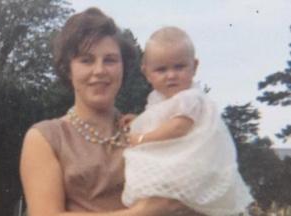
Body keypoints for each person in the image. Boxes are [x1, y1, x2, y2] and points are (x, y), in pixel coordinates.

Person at [20, 8, 198, 216]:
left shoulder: (149, 129)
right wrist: (142, 212)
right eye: (86, 60)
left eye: (110, 60)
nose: (99, 71)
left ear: (124, 67)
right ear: (68, 69)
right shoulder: (46, 138)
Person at [121, 26, 254, 216]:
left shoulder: (190, 98)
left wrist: (142, 137)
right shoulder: (158, 99)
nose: (171, 75)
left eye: (179, 66)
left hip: (192, 160)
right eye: (161, 69)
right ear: (147, 72)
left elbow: (177, 127)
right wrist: (140, 121)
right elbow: (161, 119)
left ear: (194, 66)